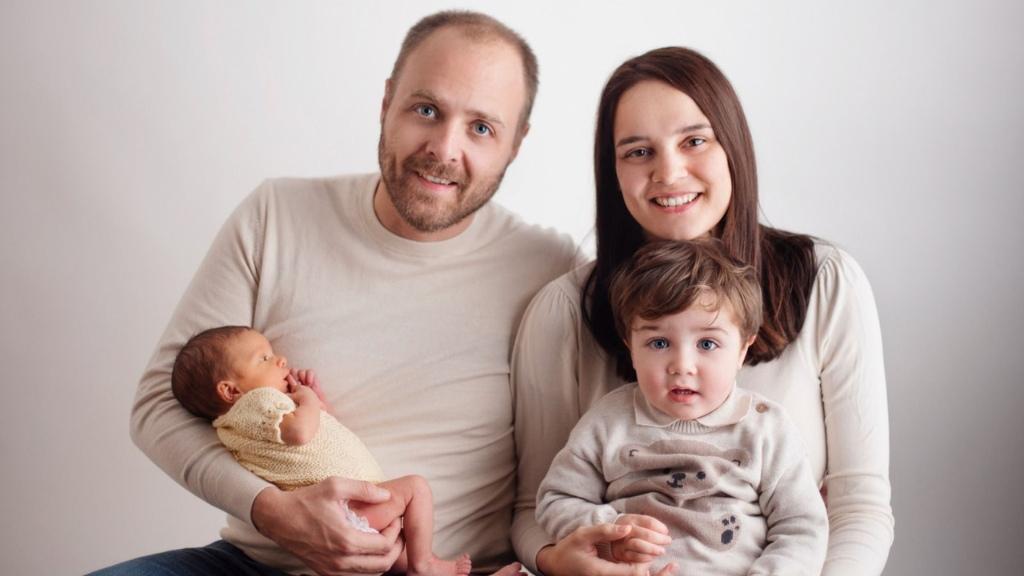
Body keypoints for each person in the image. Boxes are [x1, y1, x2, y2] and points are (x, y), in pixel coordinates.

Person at [96, 10, 577, 576]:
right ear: (386, 102)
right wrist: (274, 512)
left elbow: (555, 484)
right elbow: (158, 405)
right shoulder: (275, 216)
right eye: (426, 110)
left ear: (516, 145)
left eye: (481, 128)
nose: (444, 149)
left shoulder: (552, 270)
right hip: (254, 563)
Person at [512, 47, 893, 576]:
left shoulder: (827, 281)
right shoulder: (564, 311)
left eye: (694, 141)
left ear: (732, 147)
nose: (669, 172)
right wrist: (565, 559)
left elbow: (858, 507)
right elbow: (535, 509)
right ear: (612, 171)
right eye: (638, 151)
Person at [535, 239, 828, 575]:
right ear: (631, 346)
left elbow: (801, 527)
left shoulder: (766, 427)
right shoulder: (607, 420)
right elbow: (555, 501)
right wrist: (612, 527)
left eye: (707, 343)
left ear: (743, 349)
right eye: (659, 343)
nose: (682, 365)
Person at [171, 325, 472, 576]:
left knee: (396, 554)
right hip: (345, 508)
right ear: (230, 390)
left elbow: (314, 438)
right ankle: (425, 563)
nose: (281, 360)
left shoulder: (237, 424)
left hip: (338, 515)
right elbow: (301, 433)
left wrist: (315, 404)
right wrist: (308, 400)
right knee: (415, 488)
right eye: (263, 358)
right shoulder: (257, 402)